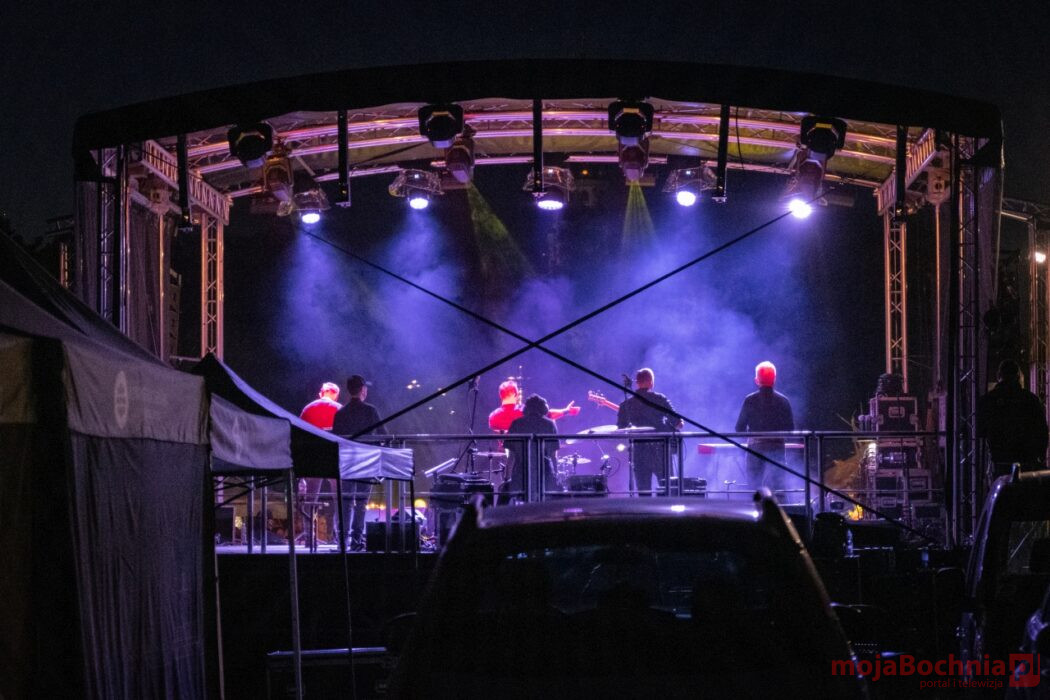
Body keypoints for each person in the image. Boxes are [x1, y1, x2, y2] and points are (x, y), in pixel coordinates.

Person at [332, 374, 387, 550]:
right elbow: (384, 434)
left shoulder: (340, 413)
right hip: (366, 461)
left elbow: (336, 439)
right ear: (363, 389)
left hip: (347, 461)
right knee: (362, 502)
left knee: (346, 501)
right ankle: (357, 540)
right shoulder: (371, 411)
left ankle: (343, 541)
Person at [616, 368, 683, 496]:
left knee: (643, 493)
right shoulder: (660, 399)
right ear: (651, 382)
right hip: (661, 451)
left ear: (637, 383)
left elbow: (620, 429)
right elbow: (678, 423)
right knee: (667, 491)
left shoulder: (626, 404)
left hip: (639, 452)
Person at [977, 359, 1049, 477]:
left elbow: (980, 430)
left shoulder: (989, 399)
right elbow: (1042, 430)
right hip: (1026, 460)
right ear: (1018, 376)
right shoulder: (1030, 399)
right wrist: (1040, 456)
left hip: (999, 460)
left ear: (999, 376)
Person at [735, 361, 795, 491]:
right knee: (778, 487)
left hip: (755, 448)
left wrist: (751, 437)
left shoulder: (750, 400)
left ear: (756, 380)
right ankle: (779, 503)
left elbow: (739, 428)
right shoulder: (783, 401)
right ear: (774, 379)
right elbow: (790, 429)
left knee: (754, 488)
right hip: (777, 447)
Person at [503, 394, 560, 502]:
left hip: (520, 475)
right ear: (544, 408)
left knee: (509, 499)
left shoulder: (516, 424)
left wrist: (507, 478)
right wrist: (556, 475)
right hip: (544, 475)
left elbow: (511, 457)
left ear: (526, 408)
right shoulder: (550, 424)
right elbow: (553, 456)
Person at [487, 378, 581, 432]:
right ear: (516, 394)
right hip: (524, 454)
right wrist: (566, 411)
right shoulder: (524, 410)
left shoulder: (492, 416)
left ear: (500, 395)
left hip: (498, 457)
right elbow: (548, 414)